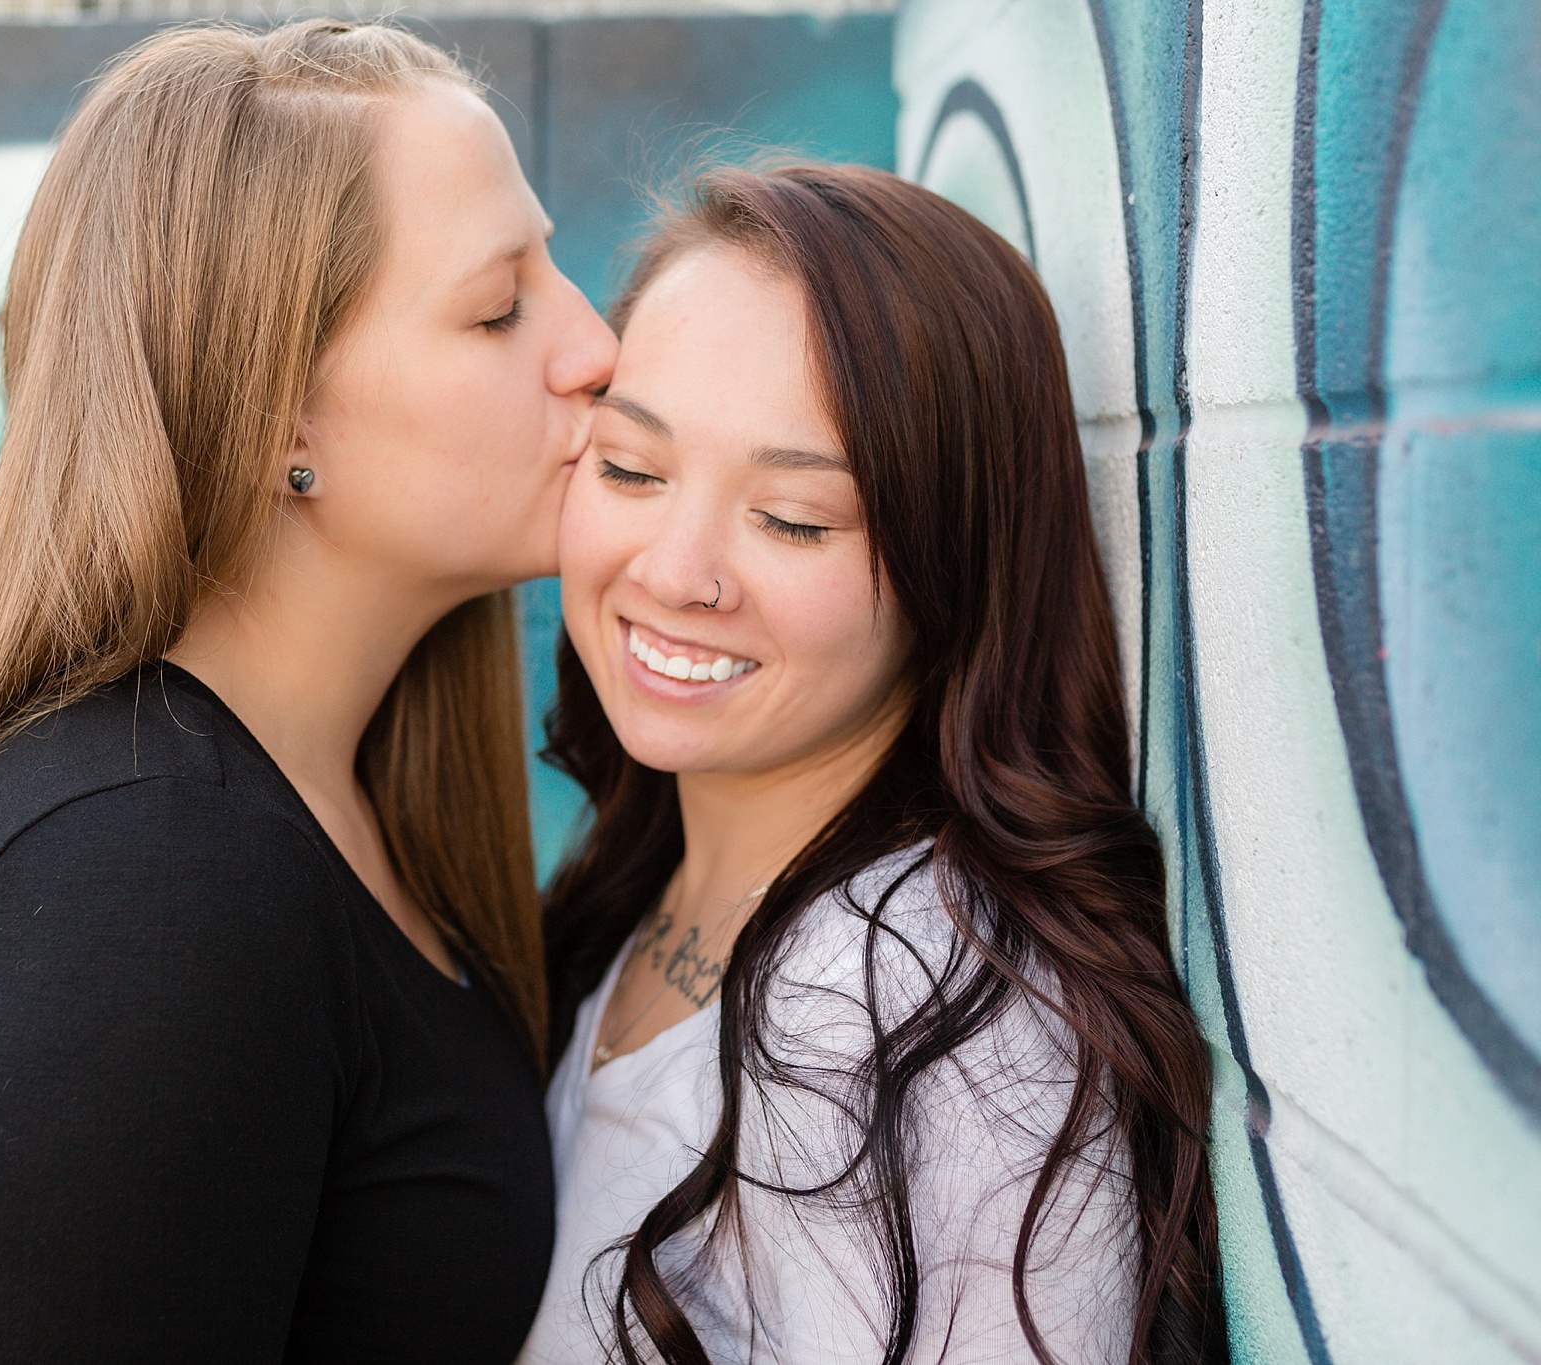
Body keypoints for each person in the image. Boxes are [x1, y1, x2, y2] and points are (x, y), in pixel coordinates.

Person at [0, 21, 616, 1365]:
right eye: (499, 307)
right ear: (279, 406)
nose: (593, 346)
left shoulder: (306, 806)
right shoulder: (152, 885)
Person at [523, 164, 1225, 1365]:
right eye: (631, 471)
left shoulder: (910, 1012)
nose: (674, 570)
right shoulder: (656, 875)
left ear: (951, 561)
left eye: (793, 518)